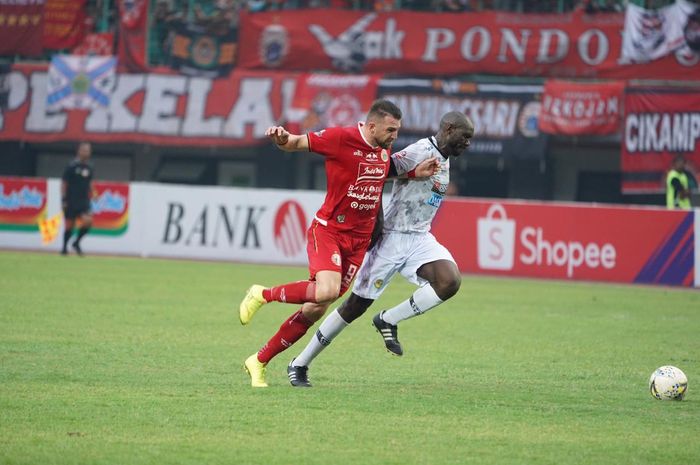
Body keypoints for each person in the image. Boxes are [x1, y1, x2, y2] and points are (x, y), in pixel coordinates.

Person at [238, 99, 440, 387]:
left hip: (358, 243)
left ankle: (258, 361)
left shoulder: (382, 149)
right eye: (391, 130)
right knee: (327, 291)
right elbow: (295, 143)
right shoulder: (339, 138)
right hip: (329, 232)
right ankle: (262, 293)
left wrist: (413, 173)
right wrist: (282, 138)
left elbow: (379, 172)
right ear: (371, 126)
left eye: (397, 130)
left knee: (316, 307)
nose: (395, 136)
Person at [287, 111, 474, 387]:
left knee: (449, 281)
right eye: (465, 136)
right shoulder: (420, 150)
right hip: (391, 238)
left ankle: (387, 320)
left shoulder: (444, 160)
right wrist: (377, 219)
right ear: (448, 128)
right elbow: (378, 172)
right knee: (354, 307)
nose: (468, 143)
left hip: (420, 238)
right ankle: (299, 363)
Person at [61, 142, 95, 256]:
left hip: (84, 200)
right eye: (84, 150)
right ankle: (64, 248)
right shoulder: (71, 166)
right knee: (69, 224)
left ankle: (76, 242)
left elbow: (89, 182)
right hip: (71, 200)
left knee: (88, 222)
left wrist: (93, 192)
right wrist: (64, 199)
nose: (86, 152)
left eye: (88, 150)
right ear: (79, 151)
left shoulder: (90, 167)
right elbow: (64, 183)